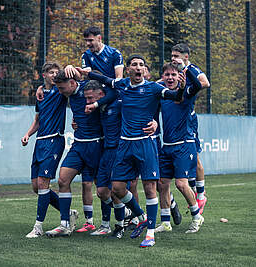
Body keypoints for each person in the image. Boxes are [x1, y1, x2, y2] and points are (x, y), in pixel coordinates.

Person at [77, 54, 186, 247]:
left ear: (145, 70)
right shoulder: (122, 85)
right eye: (134, 65)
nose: (138, 68)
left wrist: (182, 88)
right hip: (124, 144)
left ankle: (150, 233)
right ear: (128, 69)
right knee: (118, 188)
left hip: (146, 143)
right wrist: (86, 72)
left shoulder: (154, 88)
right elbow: (103, 79)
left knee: (150, 188)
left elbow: (175, 96)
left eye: (141, 65)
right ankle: (141, 215)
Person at [82, 80, 157, 238]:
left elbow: (139, 110)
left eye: (90, 98)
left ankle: (121, 225)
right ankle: (134, 214)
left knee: (118, 189)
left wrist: (154, 122)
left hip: (121, 150)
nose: (88, 102)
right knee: (102, 192)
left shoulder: (119, 103)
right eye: (86, 98)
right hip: (105, 151)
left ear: (101, 95)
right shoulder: (98, 109)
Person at [21, 62, 78, 238]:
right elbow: (37, 121)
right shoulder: (40, 95)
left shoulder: (60, 92)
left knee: (43, 183)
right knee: (36, 187)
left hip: (55, 140)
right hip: (40, 142)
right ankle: (67, 212)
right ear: (43, 75)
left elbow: (74, 85)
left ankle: (38, 227)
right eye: (51, 72)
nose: (54, 75)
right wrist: (28, 134)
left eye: (56, 72)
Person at [45, 70, 103, 237]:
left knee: (104, 190)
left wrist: (80, 70)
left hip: (97, 144)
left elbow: (109, 85)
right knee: (63, 179)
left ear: (72, 83)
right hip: (78, 145)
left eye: (62, 88)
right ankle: (65, 223)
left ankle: (115, 220)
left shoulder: (89, 88)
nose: (60, 92)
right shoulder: (66, 92)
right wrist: (41, 88)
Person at [158, 62, 205, 234]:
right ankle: (165, 222)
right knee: (162, 184)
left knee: (181, 184)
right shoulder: (162, 93)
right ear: (162, 77)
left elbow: (199, 85)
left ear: (179, 76)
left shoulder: (187, 91)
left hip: (184, 145)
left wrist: (187, 68)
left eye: (174, 74)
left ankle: (197, 216)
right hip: (167, 145)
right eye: (167, 75)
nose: (170, 78)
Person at [171, 43, 210, 213]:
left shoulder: (192, 68)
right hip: (173, 117)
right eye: (171, 55)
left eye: (176, 56)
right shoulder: (173, 71)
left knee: (196, 158)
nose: (173, 58)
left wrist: (188, 74)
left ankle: (200, 196)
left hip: (188, 119)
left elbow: (205, 83)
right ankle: (196, 193)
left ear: (186, 56)